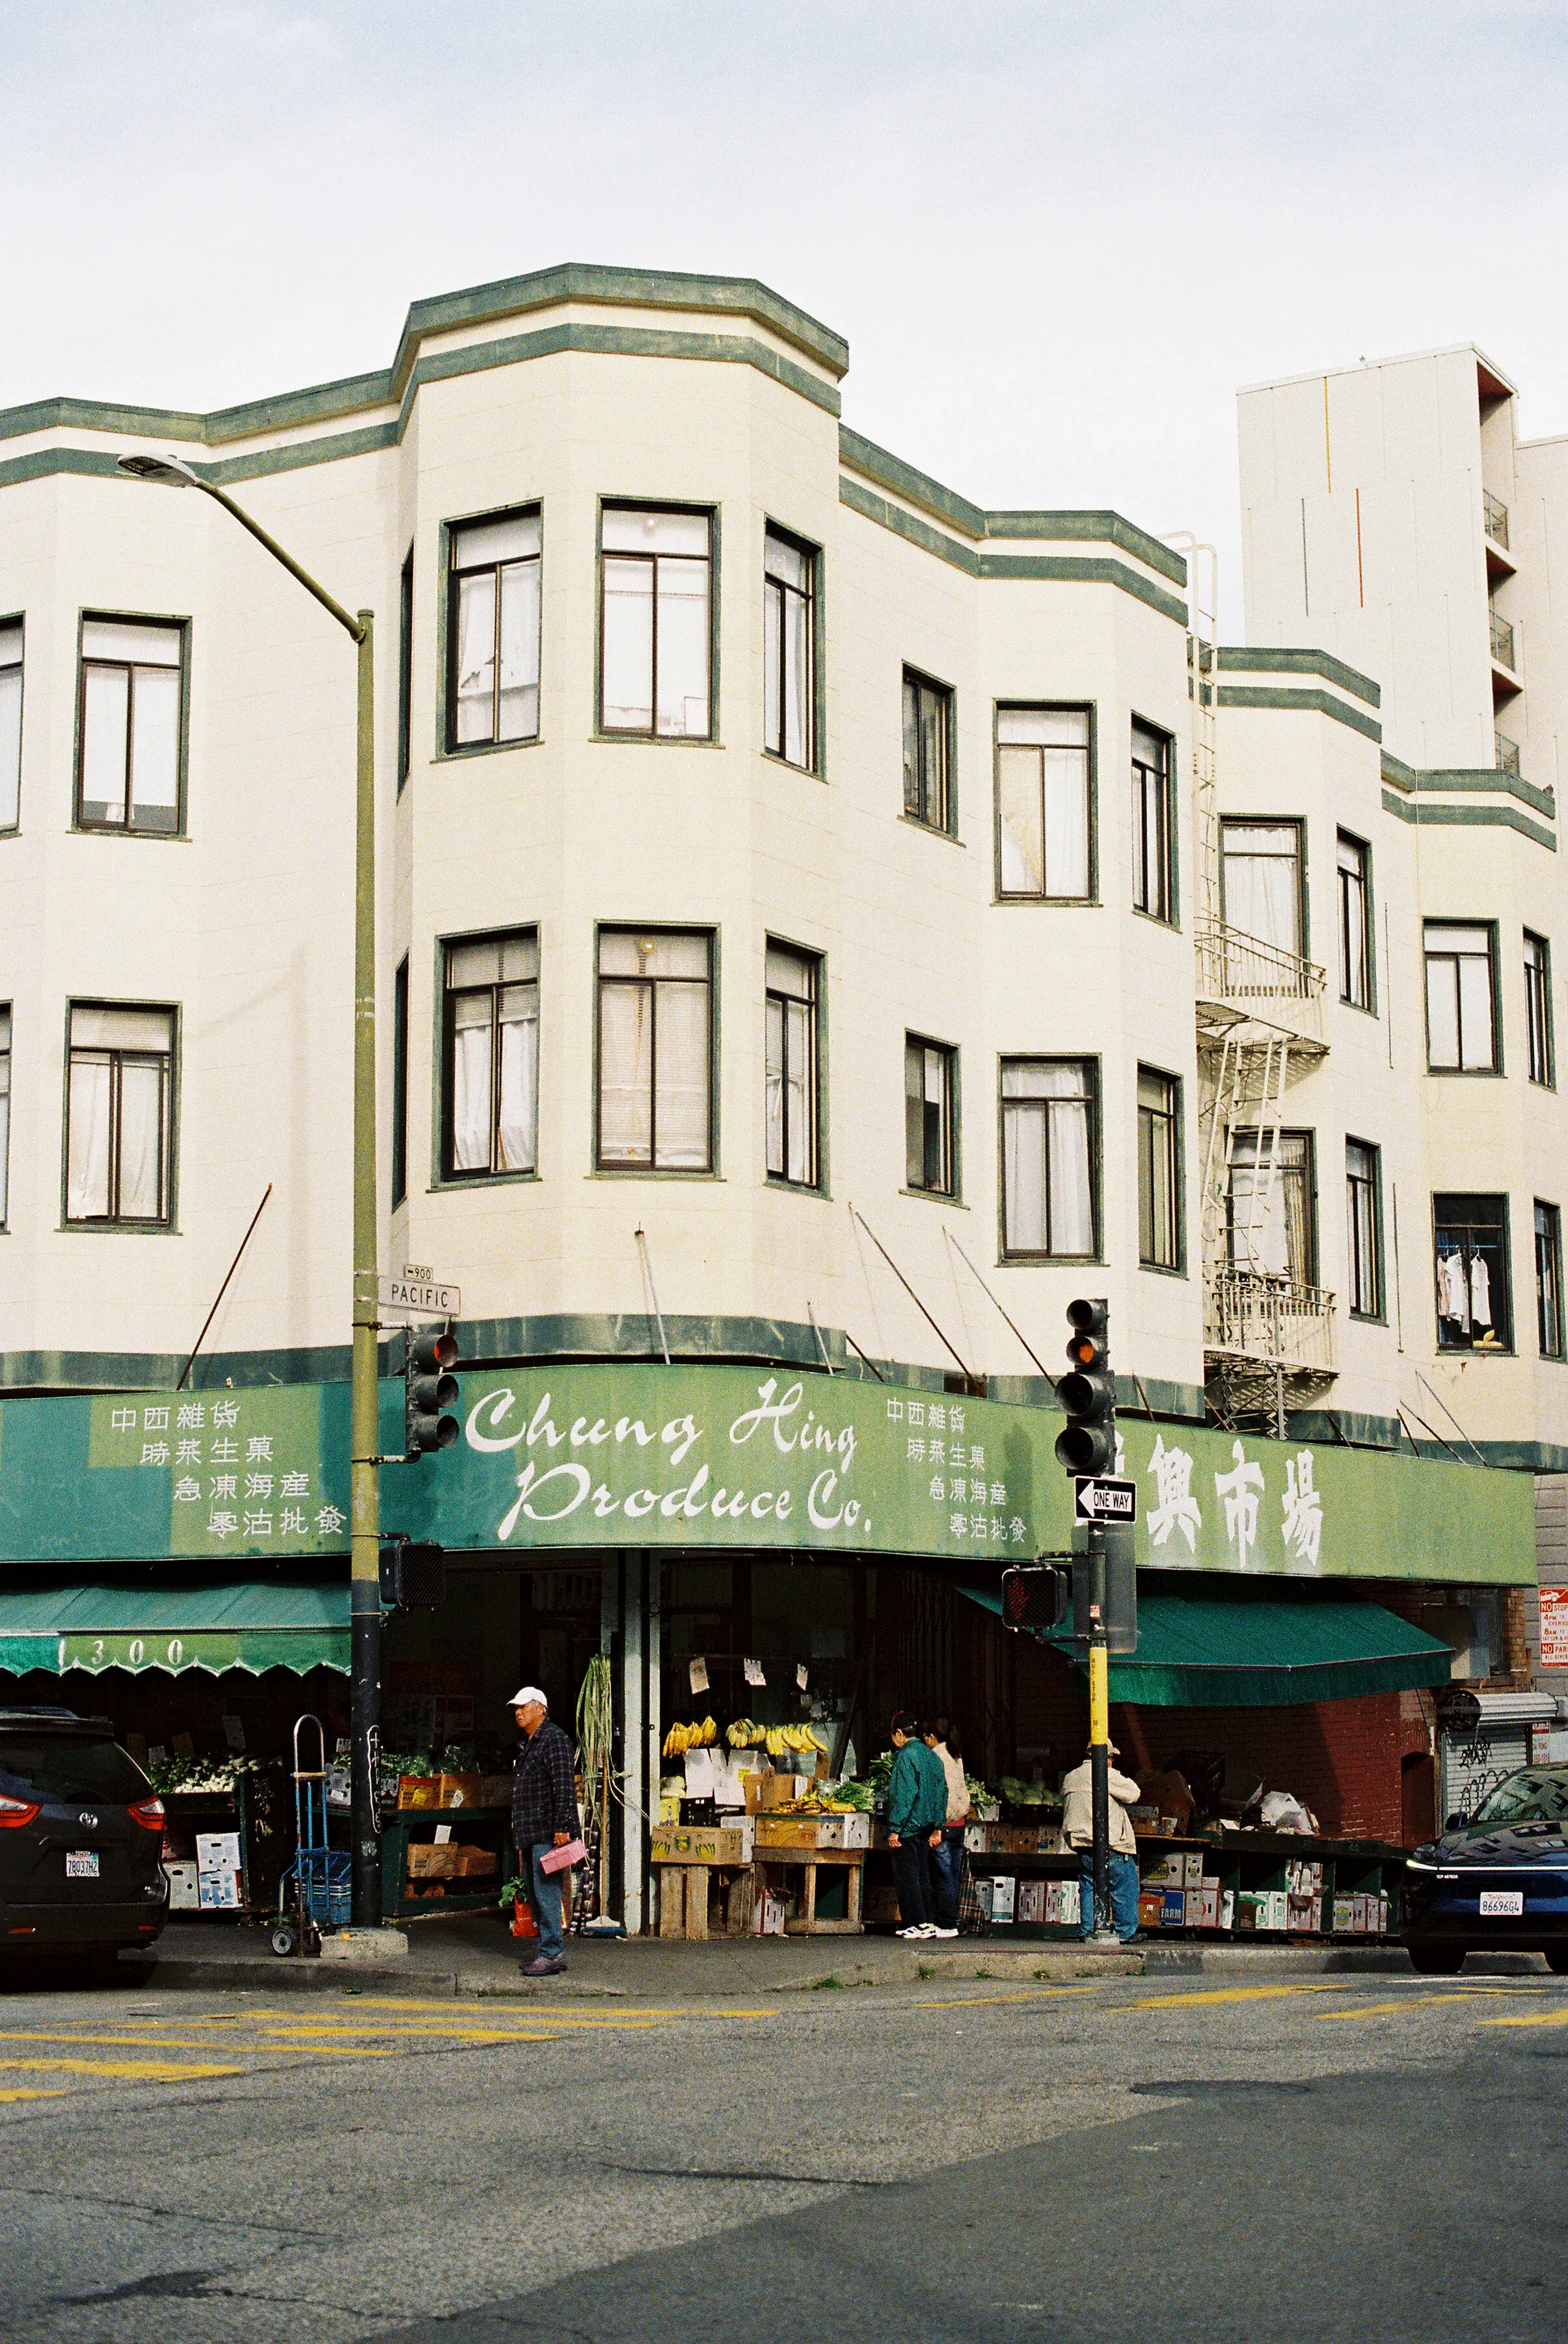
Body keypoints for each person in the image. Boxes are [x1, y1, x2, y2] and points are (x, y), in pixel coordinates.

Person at [507, 1685, 579, 1976]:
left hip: (548, 1832)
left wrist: (563, 1826)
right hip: (531, 1831)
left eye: (524, 1707)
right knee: (537, 1891)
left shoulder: (554, 1740)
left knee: (547, 1891)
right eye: (516, 1708)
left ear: (541, 1709)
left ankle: (552, 1953)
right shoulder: (530, 1742)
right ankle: (547, 1951)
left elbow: (563, 1785)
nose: (518, 1712)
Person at [1060, 1742, 1144, 1943]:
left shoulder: (1070, 1777)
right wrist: (1114, 1773)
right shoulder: (1106, 1774)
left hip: (1082, 1845)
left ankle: (1088, 1930)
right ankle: (1126, 1932)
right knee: (1124, 1886)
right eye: (1112, 1758)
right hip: (1110, 1845)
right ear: (1107, 1758)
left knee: (1089, 1886)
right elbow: (1134, 1793)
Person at [885, 1712, 951, 1939]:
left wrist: (895, 1829)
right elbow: (943, 1792)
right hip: (927, 1826)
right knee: (923, 1875)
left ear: (900, 1734)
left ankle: (914, 1923)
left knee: (907, 1877)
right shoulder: (932, 1756)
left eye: (893, 1736)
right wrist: (938, 1826)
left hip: (909, 1827)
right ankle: (927, 1921)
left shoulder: (905, 1757)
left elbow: (904, 1795)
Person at [925, 1718, 969, 1932]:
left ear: (932, 1737)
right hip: (959, 1823)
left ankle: (946, 1924)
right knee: (952, 1876)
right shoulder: (955, 1754)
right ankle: (950, 1921)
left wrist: (937, 1826)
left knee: (943, 1878)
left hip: (944, 1824)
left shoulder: (936, 1756)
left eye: (926, 1738)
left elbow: (940, 1795)